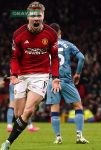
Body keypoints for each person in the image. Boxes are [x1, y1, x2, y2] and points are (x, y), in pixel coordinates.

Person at [0, 1, 60, 150]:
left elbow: (55, 58)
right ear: (28, 17)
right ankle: (30, 111)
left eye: (39, 15)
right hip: (22, 75)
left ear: (43, 16)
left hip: (41, 76)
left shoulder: (51, 34)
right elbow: (14, 57)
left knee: (28, 111)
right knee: (19, 114)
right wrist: (13, 75)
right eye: (33, 15)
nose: (36, 18)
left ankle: (7, 143)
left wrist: (56, 77)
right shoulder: (18, 34)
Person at [46, 23, 89, 144]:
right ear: (60, 33)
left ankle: (58, 137)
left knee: (54, 108)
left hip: (51, 80)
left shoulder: (45, 46)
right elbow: (81, 58)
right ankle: (79, 136)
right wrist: (78, 74)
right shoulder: (68, 44)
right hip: (66, 79)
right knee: (78, 106)